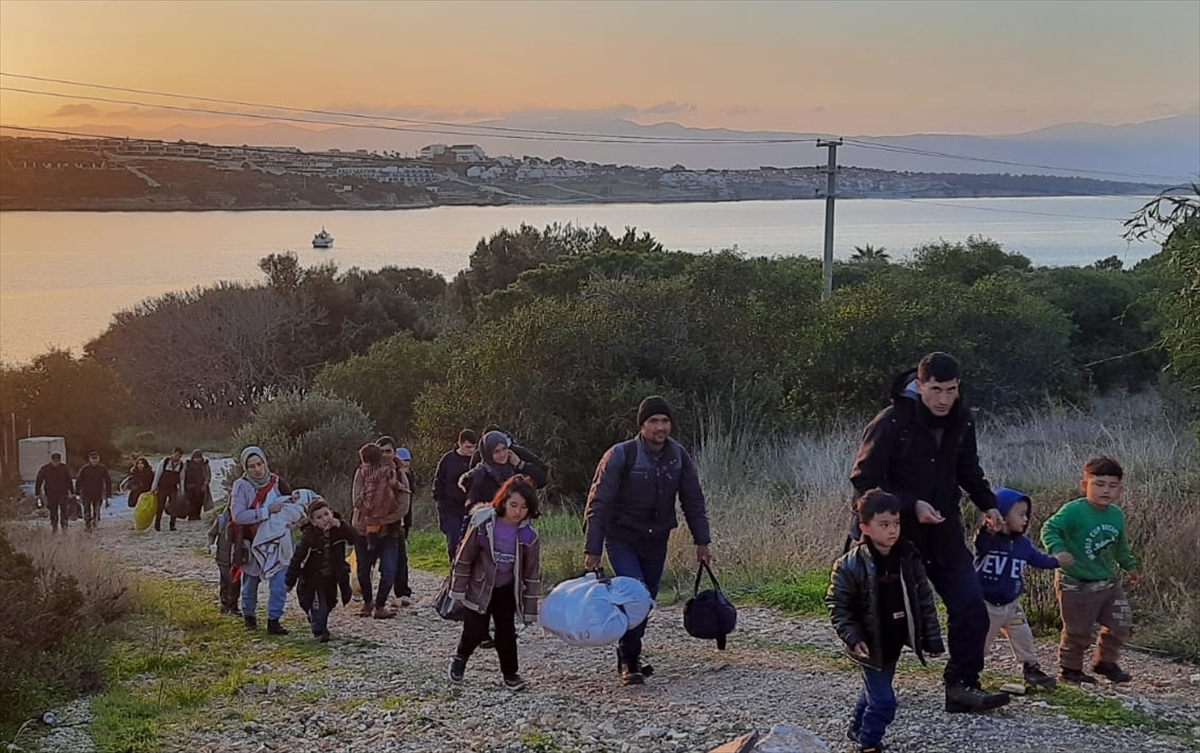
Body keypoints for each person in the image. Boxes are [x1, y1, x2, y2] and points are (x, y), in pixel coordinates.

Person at [849, 352, 1009, 713]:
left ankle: (962, 686)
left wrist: (988, 504)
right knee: (886, 618)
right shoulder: (891, 423)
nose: (943, 399)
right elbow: (864, 482)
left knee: (970, 605)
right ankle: (876, 701)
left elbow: (969, 469)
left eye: (951, 390)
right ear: (919, 386)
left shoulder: (962, 421)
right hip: (894, 533)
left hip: (944, 529)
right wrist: (910, 505)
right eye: (935, 389)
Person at [583, 395, 712, 685]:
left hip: (656, 540)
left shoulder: (678, 456)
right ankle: (630, 658)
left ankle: (628, 651)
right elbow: (599, 503)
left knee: (647, 600)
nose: (660, 427)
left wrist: (702, 542)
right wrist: (592, 548)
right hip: (621, 537)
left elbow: (693, 500)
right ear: (642, 425)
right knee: (635, 595)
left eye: (665, 421)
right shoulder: (620, 455)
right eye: (654, 421)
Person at [827, 489, 944, 753]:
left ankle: (856, 727)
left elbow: (924, 600)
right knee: (884, 701)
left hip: (894, 640)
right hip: (870, 643)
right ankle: (869, 743)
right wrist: (852, 637)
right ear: (864, 527)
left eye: (896, 523)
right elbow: (838, 605)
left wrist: (932, 638)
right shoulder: (849, 565)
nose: (892, 531)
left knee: (875, 690)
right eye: (884, 525)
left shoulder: (908, 557)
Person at [1041, 456, 1139, 685]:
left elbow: (1120, 546)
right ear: (1085, 485)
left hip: (1108, 582)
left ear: (1120, 489)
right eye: (1099, 484)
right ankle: (1070, 669)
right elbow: (1049, 528)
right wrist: (1058, 550)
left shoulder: (1116, 514)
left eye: (1112, 486)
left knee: (1121, 622)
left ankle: (1105, 662)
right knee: (1078, 631)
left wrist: (1130, 566)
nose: (1106, 490)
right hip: (1076, 583)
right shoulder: (1074, 511)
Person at [447, 476, 542, 691]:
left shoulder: (529, 536)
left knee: (506, 632)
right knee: (474, 630)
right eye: (513, 505)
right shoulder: (484, 524)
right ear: (503, 502)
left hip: (506, 588)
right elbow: (465, 556)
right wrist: (458, 589)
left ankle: (510, 673)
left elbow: (532, 574)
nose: (518, 511)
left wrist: (529, 610)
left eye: (524, 507)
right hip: (479, 585)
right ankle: (460, 658)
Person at [974, 486, 1072, 690]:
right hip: (987, 604)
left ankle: (1031, 668)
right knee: (981, 642)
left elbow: (1038, 560)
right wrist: (989, 527)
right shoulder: (989, 541)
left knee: (1023, 634)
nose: (1025, 519)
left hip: (1011, 603)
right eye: (1020, 514)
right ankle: (969, 671)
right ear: (1001, 515)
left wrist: (1056, 561)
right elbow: (980, 542)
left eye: (1026, 515)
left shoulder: (1024, 545)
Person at [230, 445, 293, 634]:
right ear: (245, 468)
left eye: (260, 464)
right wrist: (266, 512)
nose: (257, 469)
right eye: (252, 466)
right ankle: (249, 617)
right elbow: (238, 515)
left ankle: (274, 620)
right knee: (250, 583)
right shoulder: (241, 486)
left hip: (278, 544)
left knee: (279, 583)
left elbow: (291, 506)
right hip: (253, 543)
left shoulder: (278, 482)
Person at [286, 498, 357, 643]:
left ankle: (317, 620)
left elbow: (355, 538)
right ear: (312, 521)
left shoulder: (338, 530)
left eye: (326, 514)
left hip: (333, 575)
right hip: (313, 578)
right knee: (319, 606)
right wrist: (289, 581)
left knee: (331, 601)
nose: (325, 519)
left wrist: (341, 525)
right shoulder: (309, 537)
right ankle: (320, 630)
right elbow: (297, 559)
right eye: (319, 517)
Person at [351, 442, 404, 619]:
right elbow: (356, 498)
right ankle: (368, 601)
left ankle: (380, 605)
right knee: (363, 569)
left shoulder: (395, 471)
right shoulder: (363, 472)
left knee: (389, 570)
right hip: (363, 530)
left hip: (389, 530)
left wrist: (376, 517)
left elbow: (404, 504)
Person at [461, 431, 549, 507]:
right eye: (497, 451)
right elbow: (472, 509)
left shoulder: (514, 469)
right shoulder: (480, 475)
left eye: (504, 449)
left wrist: (520, 464)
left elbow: (542, 480)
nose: (502, 455)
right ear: (488, 453)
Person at [377, 436, 415, 605]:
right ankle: (369, 596)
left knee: (399, 560)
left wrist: (404, 521)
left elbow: (407, 501)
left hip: (396, 523)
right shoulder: (368, 471)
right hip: (373, 524)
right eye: (382, 451)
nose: (385, 455)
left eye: (389, 451)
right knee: (367, 562)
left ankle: (401, 593)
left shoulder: (403, 474)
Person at [433, 429, 477, 561]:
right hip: (451, 509)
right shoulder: (447, 460)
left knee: (472, 544)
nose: (471, 451)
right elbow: (438, 483)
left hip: (472, 509)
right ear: (460, 443)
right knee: (454, 542)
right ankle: (455, 569)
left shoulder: (476, 461)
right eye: (468, 447)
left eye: (474, 447)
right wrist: (441, 507)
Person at [207, 502, 240, 616]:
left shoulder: (243, 519)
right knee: (225, 580)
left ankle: (234, 606)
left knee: (235, 581)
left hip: (237, 557)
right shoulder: (221, 520)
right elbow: (212, 533)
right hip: (223, 556)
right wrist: (212, 546)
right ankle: (225, 604)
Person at [35, 452, 74, 533]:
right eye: (54, 461)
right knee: (53, 510)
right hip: (51, 493)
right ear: (51, 460)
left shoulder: (64, 468)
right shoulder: (45, 469)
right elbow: (39, 480)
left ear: (59, 460)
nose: (55, 463)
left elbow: (68, 480)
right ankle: (54, 526)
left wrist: (72, 491)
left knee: (64, 510)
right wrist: (37, 492)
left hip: (63, 493)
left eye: (57, 461)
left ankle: (64, 526)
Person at [75, 450, 112, 533]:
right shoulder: (84, 469)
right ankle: (87, 525)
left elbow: (108, 481)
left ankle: (95, 523)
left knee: (97, 509)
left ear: (99, 459)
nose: (95, 460)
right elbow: (78, 481)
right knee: (86, 510)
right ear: (89, 459)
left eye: (96, 458)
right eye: (93, 458)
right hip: (86, 493)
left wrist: (108, 495)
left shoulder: (102, 469)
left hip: (98, 493)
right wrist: (77, 493)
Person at [151, 447, 187, 532]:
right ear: (173, 453)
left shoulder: (181, 465)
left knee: (174, 506)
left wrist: (182, 491)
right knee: (160, 506)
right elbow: (157, 475)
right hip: (162, 487)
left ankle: (172, 525)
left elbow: (182, 479)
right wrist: (153, 487)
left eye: (179, 456)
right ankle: (157, 524)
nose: (177, 457)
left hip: (173, 488)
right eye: (176, 455)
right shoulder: (164, 462)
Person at [183, 449, 211, 521]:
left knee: (199, 501)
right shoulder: (187, 464)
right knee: (191, 501)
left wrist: (205, 484)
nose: (197, 460)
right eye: (196, 458)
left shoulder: (205, 464)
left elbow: (208, 474)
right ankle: (191, 515)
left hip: (201, 485)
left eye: (199, 458)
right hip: (190, 485)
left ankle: (197, 515)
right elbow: (183, 475)